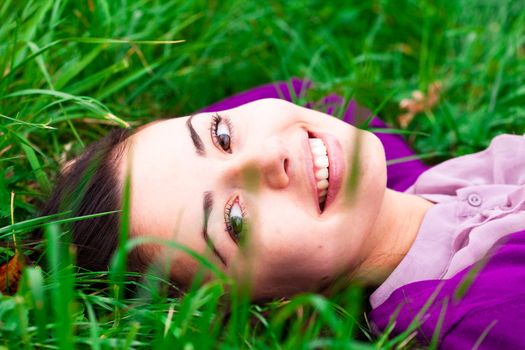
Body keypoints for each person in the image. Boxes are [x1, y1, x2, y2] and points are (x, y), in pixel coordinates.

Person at [14, 78, 525, 348]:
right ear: (271, 304)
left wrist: (90, 174)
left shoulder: (411, 185)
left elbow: (294, 92)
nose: (266, 160)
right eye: (236, 221)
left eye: (219, 134)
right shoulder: (479, 313)